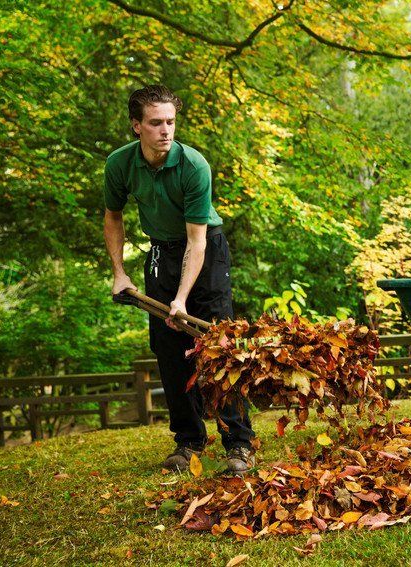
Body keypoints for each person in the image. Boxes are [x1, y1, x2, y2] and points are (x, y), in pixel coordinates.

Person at [102, 84, 255, 475]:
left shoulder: (193, 165)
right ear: (137, 126)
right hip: (160, 252)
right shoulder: (119, 165)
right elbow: (113, 217)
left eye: (170, 121)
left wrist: (182, 299)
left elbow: (196, 240)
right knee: (169, 350)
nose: (166, 130)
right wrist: (120, 273)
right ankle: (188, 442)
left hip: (206, 249)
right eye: (156, 123)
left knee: (220, 346)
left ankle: (239, 444)